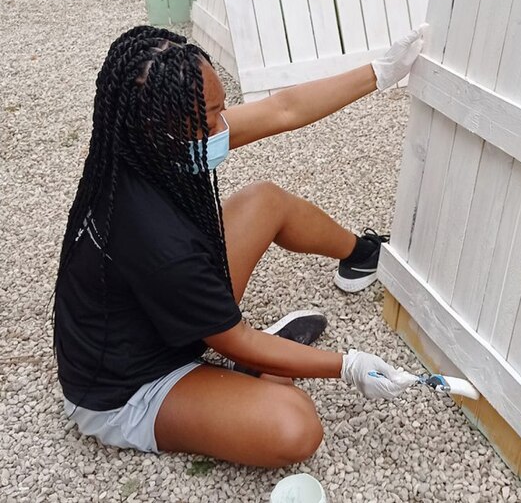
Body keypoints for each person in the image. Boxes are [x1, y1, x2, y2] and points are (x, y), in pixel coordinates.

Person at [53, 24, 426, 468]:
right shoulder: (157, 240)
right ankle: (239, 379)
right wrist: (348, 364)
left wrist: (380, 72)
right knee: (294, 425)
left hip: (162, 313)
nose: (223, 126)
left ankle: (362, 255)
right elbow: (234, 338)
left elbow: (283, 109)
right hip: (129, 387)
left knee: (264, 202)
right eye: (211, 117)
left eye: (221, 109)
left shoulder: (135, 145)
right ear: (160, 122)